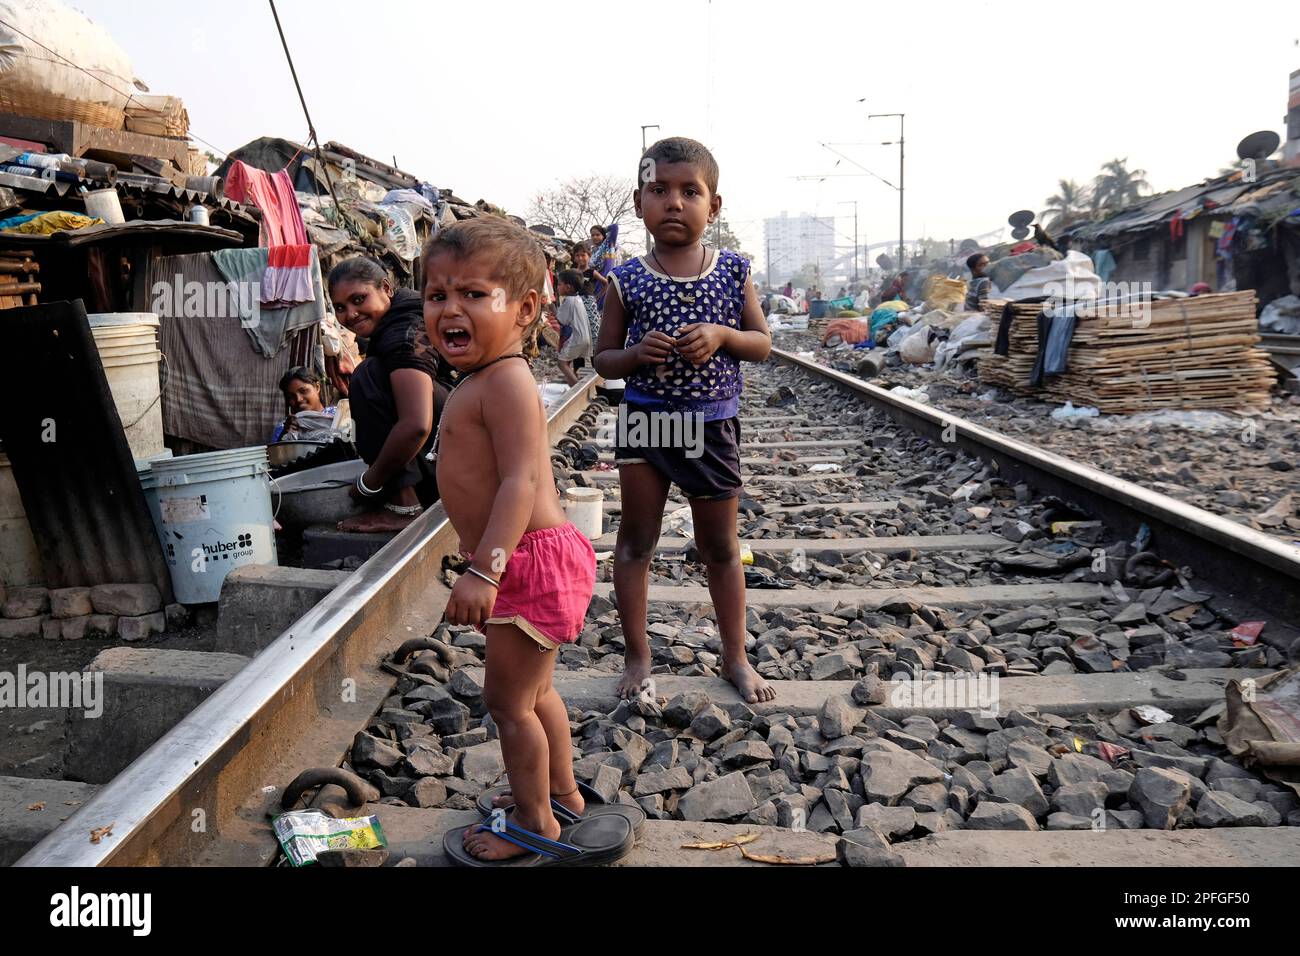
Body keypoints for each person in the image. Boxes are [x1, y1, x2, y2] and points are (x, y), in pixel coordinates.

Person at [423, 217, 612, 865]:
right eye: (436, 294)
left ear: (526, 308)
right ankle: (561, 793)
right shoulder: (484, 378)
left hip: (524, 563)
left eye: (473, 294)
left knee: (506, 705)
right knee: (535, 694)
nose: (450, 308)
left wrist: (486, 569)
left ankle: (535, 823)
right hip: (536, 561)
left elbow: (519, 483)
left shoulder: (503, 382)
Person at [593, 136, 775, 705]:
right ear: (639, 201)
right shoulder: (627, 278)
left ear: (713, 206)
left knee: (719, 547)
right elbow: (602, 358)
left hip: (711, 425)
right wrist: (634, 354)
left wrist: (723, 336)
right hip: (647, 424)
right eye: (659, 190)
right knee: (636, 542)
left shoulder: (732, 270)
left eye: (689, 191)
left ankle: (735, 656)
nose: (674, 202)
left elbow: (762, 344)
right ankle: (638, 655)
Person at [328, 257, 452, 532]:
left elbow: (416, 425)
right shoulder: (403, 316)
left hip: (462, 456)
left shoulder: (403, 334)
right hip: (457, 447)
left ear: (386, 288)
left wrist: (368, 483)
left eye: (359, 299)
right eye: (340, 307)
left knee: (367, 376)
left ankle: (404, 505)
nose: (350, 314)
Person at [271, 366, 337, 442]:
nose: (298, 399)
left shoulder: (338, 416)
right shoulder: (283, 427)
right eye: (291, 396)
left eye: (303, 391)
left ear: (317, 387)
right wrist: (284, 435)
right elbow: (276, 452)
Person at [555, 269, 592, 386]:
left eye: (559, 284)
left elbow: (561, 319)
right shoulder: (578, 299)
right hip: (584, 337)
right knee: (567, 360)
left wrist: (551, 308)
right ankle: (573, 382)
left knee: (562, 363)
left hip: (576, 338)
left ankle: (575, 388)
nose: (557, 287)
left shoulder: (569, 301)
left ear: (568, 287)